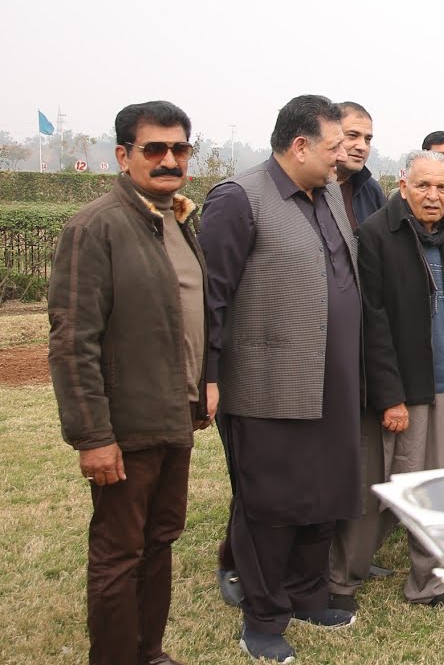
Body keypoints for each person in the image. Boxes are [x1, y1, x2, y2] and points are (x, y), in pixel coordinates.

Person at [200, 94, 361, 663]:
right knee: (270, 505)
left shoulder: (330, 196)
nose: (344, 156)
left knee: (326, 495)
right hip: (267, 385)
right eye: (336, 146)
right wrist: (208, 377)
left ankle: (307, 594)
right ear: (300, 146)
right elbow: (209, 299)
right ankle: (263, 619)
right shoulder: (239, 199)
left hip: (335, 381)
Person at [48, 101, 207, 665]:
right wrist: (93, 436)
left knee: (159, 541)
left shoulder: (180, 220)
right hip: (125, 425)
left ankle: (150, 651)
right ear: (123, 155)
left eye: (179, 149)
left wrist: (204, 386)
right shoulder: (95, 227)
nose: (169, 160)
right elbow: (72, 342)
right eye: (154, 149)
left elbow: (190, 316)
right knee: (119, 552)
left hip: (174, 418)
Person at [329, 151, 444, 612]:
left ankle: (432, 584)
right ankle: (339, 580)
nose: (433, 196)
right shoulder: (377, 235)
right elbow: (371, 323)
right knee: (382, 490)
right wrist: (390, 397)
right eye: (423, 186)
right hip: (402, 391)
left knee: (440, 490)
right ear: (403, 185)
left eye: (443, 187)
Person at [335, 101, 386, 228]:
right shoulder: (309, 186)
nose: (362, 147)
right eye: (352, 136)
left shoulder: (371, 190)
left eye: (367, 140)